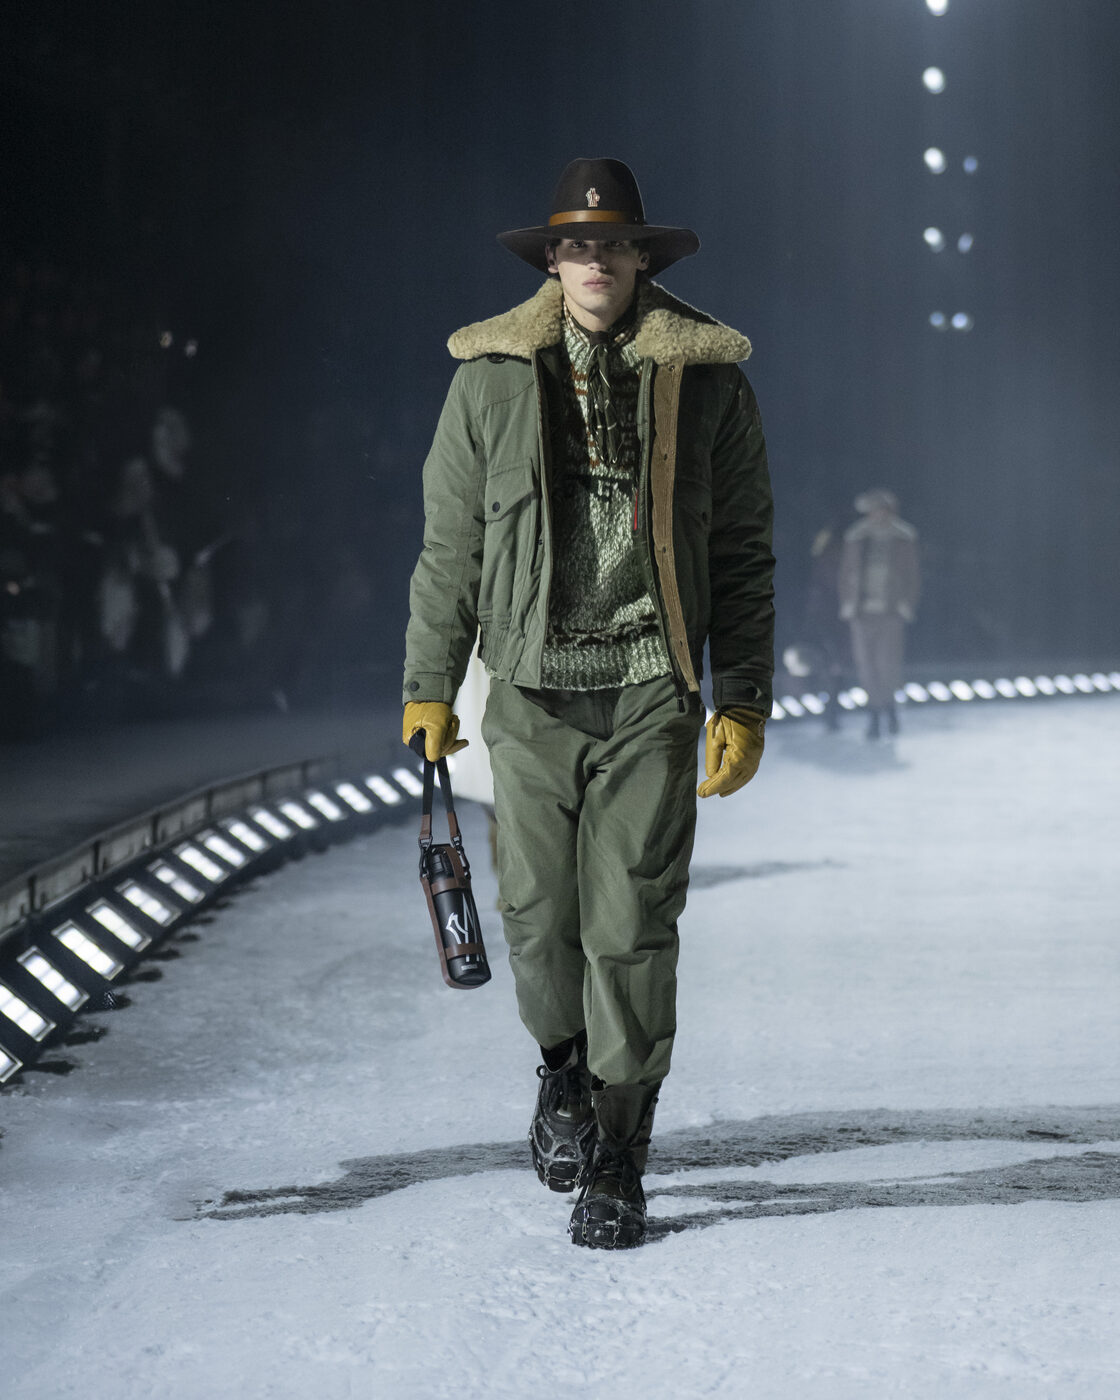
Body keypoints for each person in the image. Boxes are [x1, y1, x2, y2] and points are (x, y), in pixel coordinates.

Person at [402, 158, 775, 1249]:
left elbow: (744, 552)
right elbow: (450, 547)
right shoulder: (487, 380)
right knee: (537, 920)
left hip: (652, 688)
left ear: (642, 258)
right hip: (528, 691)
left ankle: (619, 1151)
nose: (596, 260)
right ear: (553, 261)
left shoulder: (708, 382)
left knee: (632, 923)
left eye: (614, 244)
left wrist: (743, 696)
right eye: (577, 245)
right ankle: (561, 1069)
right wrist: (429, 682)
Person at [838, 488, 920, 739]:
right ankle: (874, 715)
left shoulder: (903, 537)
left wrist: (906, 604)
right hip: (862, 612)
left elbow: (912, 575)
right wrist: (847, 602)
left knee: (888, 665)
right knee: (866, 666)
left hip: (890, 612)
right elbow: (846, 573)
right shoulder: (856, 537)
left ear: (889, 511)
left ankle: (889, 709)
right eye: (873, 510)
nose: (877, 514)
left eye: (881, 509)